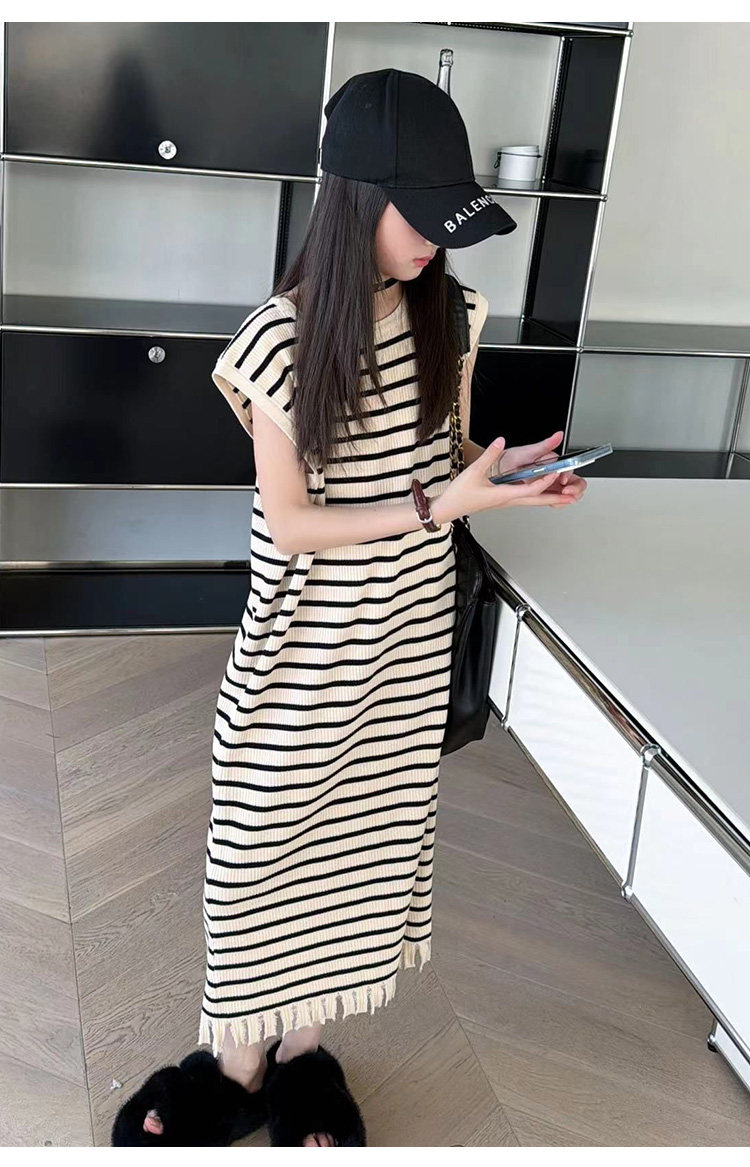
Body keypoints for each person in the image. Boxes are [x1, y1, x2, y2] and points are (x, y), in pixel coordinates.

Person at [198, 68, 587, 1145]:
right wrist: (437, 505)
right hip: (301, 652)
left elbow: (443, 458)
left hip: (405, 641)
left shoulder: (449, 314)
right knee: (258, 847)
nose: (436, 242)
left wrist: (504, 475)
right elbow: (291, 524)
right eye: (421, 216)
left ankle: (305, 1055)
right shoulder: (277, 342)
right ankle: (237, 1061)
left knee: (361, 853)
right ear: (355, 200)